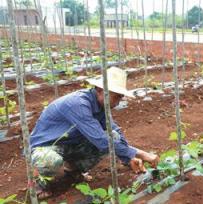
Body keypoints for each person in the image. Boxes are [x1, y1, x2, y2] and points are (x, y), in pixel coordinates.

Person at [30, 67, 159, 198]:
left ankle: (73, 171)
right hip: (46, 146)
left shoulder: (100, 106)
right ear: (100, 90)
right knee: (50, 161)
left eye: (120, 98)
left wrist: (129, 157)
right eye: (116, 97)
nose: (118, 102)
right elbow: (101, 140)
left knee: (113, 136)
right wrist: (141, 154)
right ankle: (39, 183)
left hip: (71, 144)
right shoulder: (79, 104)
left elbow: (114, 130)